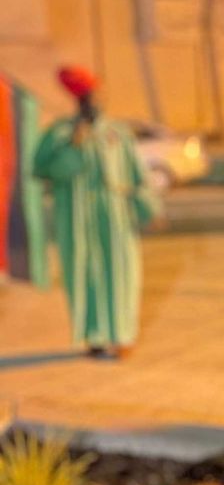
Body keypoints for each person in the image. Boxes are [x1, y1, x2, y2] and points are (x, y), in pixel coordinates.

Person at [33, 66, 157, 357]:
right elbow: (43, 171)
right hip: (74, 216)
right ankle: (94, 336)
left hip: (113, 216)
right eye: (86, 97)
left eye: (95, 96)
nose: (92, 102)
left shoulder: (117, 133)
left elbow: (136, 175)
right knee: (83, 274)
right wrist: (73, 147)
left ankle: (122, 335)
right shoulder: (59, 134)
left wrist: (148, 209)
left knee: (120, 273)